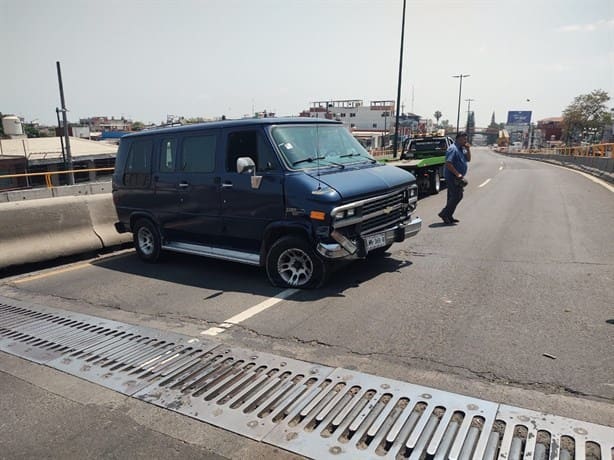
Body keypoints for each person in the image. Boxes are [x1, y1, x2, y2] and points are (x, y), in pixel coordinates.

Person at [438, 132, 471, 225]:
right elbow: (448, 163)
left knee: (451, 197)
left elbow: (468, 159)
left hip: (456, 177)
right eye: (464, 139)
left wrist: (468, 149)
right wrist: (458, 174)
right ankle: (444, 213)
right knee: (458, 196)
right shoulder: (453, 149)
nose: (465, 141)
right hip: (452, 177)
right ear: (458, 139)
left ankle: (449, 216)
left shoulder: (462, 149)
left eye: (466, 139)